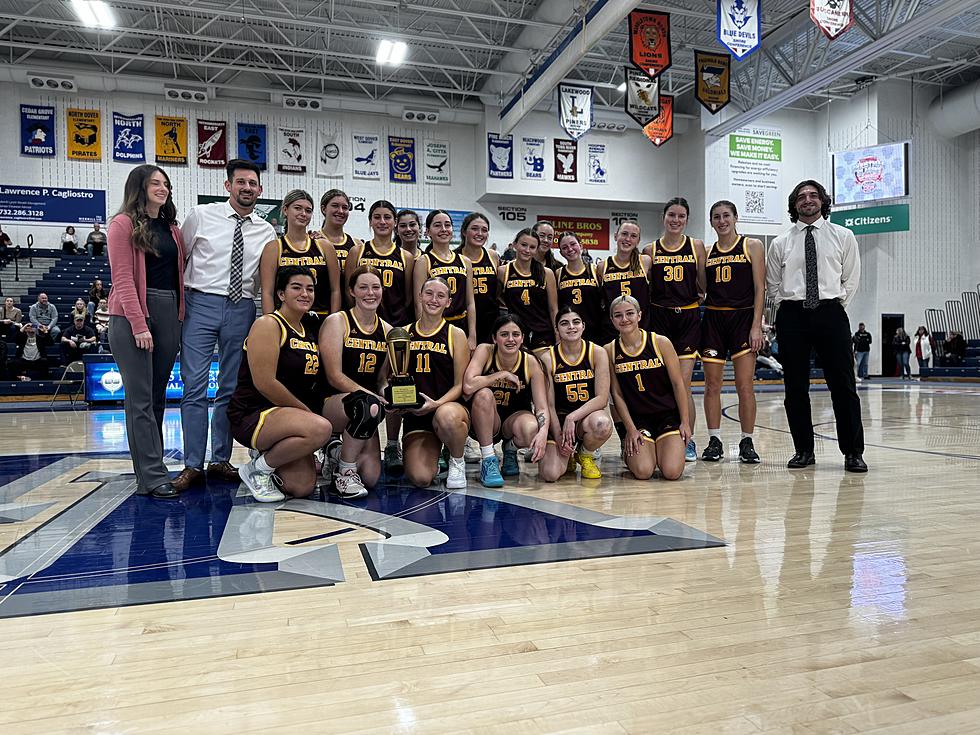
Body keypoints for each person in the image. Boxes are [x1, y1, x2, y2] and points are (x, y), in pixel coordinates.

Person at [174, 159, 277, 492]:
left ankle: (220, 459)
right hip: (201, 302)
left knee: (230, 389)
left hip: (242, 307)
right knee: (194, 387)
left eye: (253, 184)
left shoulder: (265, 229)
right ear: (228, 186)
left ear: (260, 190)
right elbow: (181, 261)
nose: (247, 188)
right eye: (241, 182)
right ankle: (192, 463)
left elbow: (266, 281)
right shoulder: (201, 216)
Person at [765, 179, 866, 473]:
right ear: (794, 205)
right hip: (792, 315)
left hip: (830, 312)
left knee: (844, 385)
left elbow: (851, 278)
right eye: (801, 197)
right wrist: (788, 308)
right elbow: (772, 284)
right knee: (795, 387)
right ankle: (804, 450)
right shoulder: (781, 243)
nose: (807, 200)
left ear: (822, 201)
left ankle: (853, 452)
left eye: (813, 195)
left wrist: (833, 306)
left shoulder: (843, 236)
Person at [107, 164, 186, 499]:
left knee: (156, 398)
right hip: (131, 315)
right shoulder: (122, 224)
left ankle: (148, 474)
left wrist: (178, 319)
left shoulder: (172, 229)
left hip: (169, 312)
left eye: (165, 183)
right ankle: (153, 475)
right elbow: (123, 278)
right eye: (155, 182)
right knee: (139, 399)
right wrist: (140, 324)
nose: (162, 187)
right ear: (138, 187)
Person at [228, 267, 334, 502]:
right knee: (321, 428)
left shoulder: (309, 329)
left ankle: (265, 455)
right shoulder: (269, 324)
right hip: (254, 412)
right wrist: (306, 414)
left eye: (310, 289)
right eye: (296, 287)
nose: (305, 293)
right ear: (281, 294)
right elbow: (265, 383)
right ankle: (258, 470)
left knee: (301, 486)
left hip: (287, 415)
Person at [347, 200, 415, 477]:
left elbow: (410, 296)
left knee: (393, 387)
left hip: (394, 330)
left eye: (388, 217)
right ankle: (343, 442)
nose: (383, 221)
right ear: (370, 221)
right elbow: (348, 288)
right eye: (377, 217)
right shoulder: (358, 251)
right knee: (365, 383)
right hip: (362, 326)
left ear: (395, 222)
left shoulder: (407, 258)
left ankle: (392, 444)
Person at [699, 201, 765, 464]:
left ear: (736, 217)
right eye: (716, 216)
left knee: (744, 386)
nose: (722, 220)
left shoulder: (752, 246)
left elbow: (761, 288)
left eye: (727, 215)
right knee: (711, 385)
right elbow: (701, 289)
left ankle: (747, 440)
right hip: (714, 319)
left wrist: (756, 325)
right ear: (711, 222)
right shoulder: (706, 251)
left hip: (742, 318)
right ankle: (714, 440)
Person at [319, 265, 391, 498]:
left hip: (367, 408)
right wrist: (372, 396)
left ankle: (335, 452)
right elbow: (334, 376)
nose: (370, 293)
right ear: (352, 291)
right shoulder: (337, 321)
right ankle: (344, 473)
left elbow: (380, 379)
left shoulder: (388, 331)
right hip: (331, 402)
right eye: (363, 287)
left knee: (370, 476)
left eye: (375, 287)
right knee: (366, 404)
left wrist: (389, 393)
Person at [644, 198, 706, 463]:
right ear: (663, 217)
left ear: (687, 219)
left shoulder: (696, 246)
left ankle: (687, 440)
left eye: (681, 216)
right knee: (663, 383)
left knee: (683, 383)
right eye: (672, 215)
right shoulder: (650, 249)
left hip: (688, 319)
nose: (676, 220)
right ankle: (663, 432)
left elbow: (702, 283)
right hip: (660, 319)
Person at [605, 295, 690, 481]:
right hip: (638, 420)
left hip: (667, 415)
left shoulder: (660, 342)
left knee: (672, 472)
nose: (624, 319)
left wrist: (685, 422)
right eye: (618, 315)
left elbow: (678, 384)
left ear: (639, 315)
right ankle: (633, 451)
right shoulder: (609, 350)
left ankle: (662, 448)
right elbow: (617, 394)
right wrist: (630, 429)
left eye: (629, 313)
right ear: (612, 320)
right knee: (644, 472)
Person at [463, 314, 549, 487]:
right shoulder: (485, 351)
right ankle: (488, 459)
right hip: (486, 421)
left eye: (516, 334)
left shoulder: (530, 362)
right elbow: (468, 385)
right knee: (484, 394)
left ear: (523, 338)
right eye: (504, 334)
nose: (510, 339)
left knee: (532, 427)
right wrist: (501, 375)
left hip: (513, 421)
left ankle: (510, 450)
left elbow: (541, 407)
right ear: (494, 338)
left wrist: (543, 432)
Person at [402, 277, 471, 490]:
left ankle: (457, 460)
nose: (434, 299)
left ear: (449, 302)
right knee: (421, 478)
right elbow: (392, 378)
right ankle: (430, 453)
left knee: (447, 417)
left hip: (448, 408)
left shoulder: (456, 334)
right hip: (416, 415)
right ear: (420, 296)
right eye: (429, 293)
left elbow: (460, 385)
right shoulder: (404, 333)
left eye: (441, 296)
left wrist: (437, 403)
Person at [538, 306, 612, 482]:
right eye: (564, 323)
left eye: (576, 322)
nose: (571, 327)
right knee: (550, 474)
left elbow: (602, 399)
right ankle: (567, 454)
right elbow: (549, 405)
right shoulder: (548, 358)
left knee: (602, 423)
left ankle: (585, 454)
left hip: (585, 418)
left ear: (583, 326)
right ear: (557, 329)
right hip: (558, 421)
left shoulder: (597, 352)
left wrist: (573, 417)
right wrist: (559, 436)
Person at [258, 189, 341, 321]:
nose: (303, 214)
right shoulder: (274, 248)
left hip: (320, 319)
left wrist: (334, 323)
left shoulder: (324, 246)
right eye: (298, 208)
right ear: (285, 210)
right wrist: (271, 323)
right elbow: (267, 293)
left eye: (308, 210)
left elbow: (335, 290)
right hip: (286, 320)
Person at [413, 210, 476, 348]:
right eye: (437, 225)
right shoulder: (424, 261)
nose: (443, 229)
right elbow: (419, 303)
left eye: (447, 225)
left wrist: (472, 336)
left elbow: (470, 302)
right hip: (435, 326)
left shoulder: (465, 261)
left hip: (461, 325)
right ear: (428, 231)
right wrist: (423, 333)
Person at [498, 229, 558, 351]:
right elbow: (498, 301)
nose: (527, 250)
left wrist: (557, 334)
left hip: (542, 332)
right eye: (523, 245)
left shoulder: (546, 273)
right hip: (515, 334)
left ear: (536, 250)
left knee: (546, 367)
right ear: (515, 245)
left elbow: (553, 308)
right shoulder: (503, 271)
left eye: (532, 247)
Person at [596, 221, 651, 343]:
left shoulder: (645, 262)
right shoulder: (602, 266)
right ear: (616, 236)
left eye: (633, 236)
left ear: (638, 240)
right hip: (612, 331)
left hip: (641, 329)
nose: (628, 239)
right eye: (624, 234)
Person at [555, 232, 605, 344]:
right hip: (570, 333)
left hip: (595, 332)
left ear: (581, 246)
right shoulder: (558, 274)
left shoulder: (595, 270)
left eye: (573, 244)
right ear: (561, 252)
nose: (570, 249)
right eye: (565, 247)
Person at [457, 212, 499, 344]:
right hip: (463, 320)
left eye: (484, 230)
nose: (479, 233)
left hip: (490, 320)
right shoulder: (454, 257)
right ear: (464, 231)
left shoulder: (492, 256)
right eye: (474, 229)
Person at [315, 189, 361, 278]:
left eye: (345, 207)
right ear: (323, 209)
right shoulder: (313, 240)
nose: (340, 211)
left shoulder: (357, 244)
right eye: (335, 206)